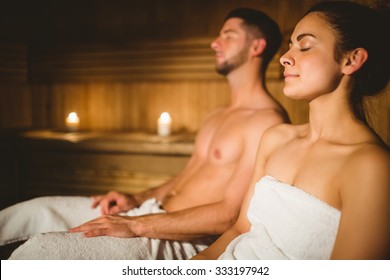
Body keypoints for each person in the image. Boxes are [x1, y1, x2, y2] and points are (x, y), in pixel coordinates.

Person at [1, 8, 288, 259]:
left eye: (228, 34)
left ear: (256, 46)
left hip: (181, 236)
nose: (215, 42)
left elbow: (231, 214)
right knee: (31, 212)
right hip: (150, 212)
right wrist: (136, 199)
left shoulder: (267, 122)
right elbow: (186, 178)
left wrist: (136, 224)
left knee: (39, 253)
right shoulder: (217, 114)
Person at [193, 1, 390, 260]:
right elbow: (240, 230)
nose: (285, 58)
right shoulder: (276, 139)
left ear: (351, 59)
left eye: (305, 46)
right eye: (290, 46)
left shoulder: (371, 167)